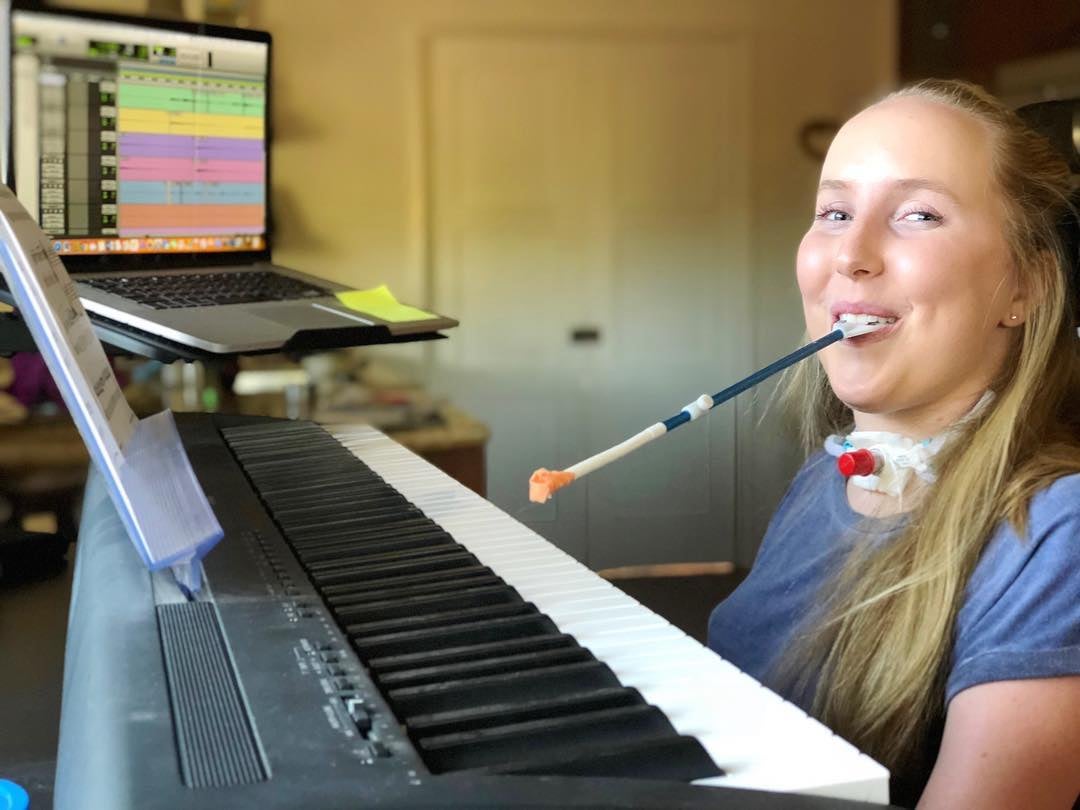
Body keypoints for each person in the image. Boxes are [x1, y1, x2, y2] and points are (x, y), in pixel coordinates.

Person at [707, 78, 1080, 809]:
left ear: (1025, 287)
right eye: (835, 211)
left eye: (918, 215)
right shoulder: (829, 478)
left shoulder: (1055, 533)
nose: (850, 254)